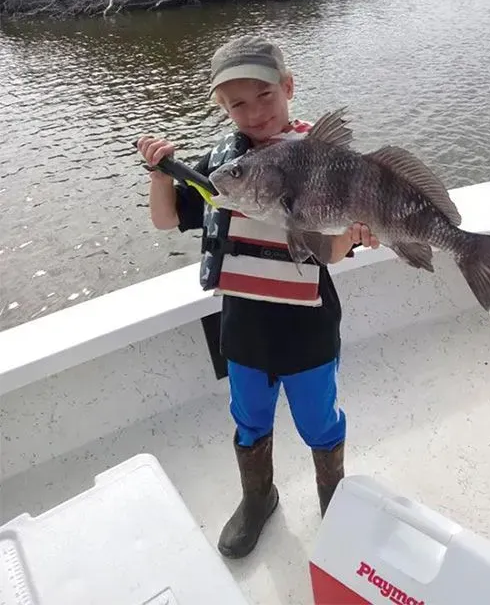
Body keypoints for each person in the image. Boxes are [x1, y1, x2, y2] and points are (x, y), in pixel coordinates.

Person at [136, 35, 379, 560]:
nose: (254, 112)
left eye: (264, 96)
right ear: (223, 109)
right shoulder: (223, 167)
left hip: (308, 327)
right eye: (237, 104)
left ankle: (333, 498)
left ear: (288, 87)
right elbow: (167, 218)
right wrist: (160, 173)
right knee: (249, 418)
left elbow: (332, 252)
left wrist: (356, 232)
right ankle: (257, 497)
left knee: (320, 420)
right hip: (242, 326)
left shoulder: (324, 159)